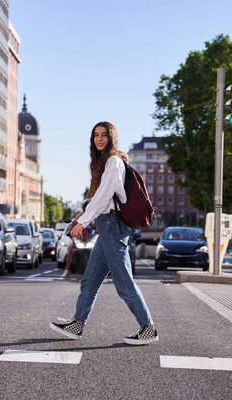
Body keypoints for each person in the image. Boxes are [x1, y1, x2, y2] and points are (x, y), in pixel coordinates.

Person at [50, 121, 158, 345]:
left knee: (124, 283)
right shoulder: (106, 163)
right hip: (107, 226)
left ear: (112, 138)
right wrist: (83, 216)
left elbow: (104, 196)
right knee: (89, 280)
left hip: (112, 227)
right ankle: (77, 324)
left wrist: (85, 222)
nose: (99, 139)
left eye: (104, 135)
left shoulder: (114, 162)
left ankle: (148, 328)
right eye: (95, 135)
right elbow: (100, 199)